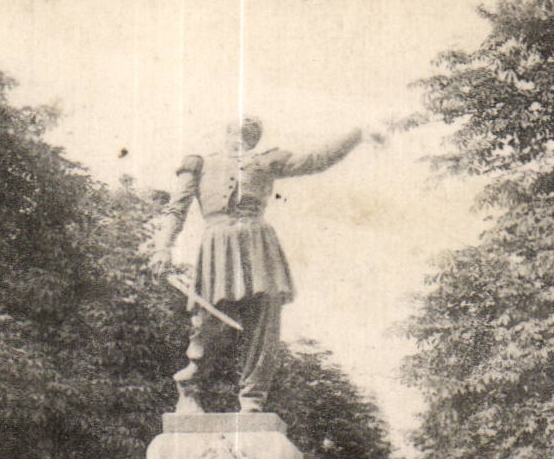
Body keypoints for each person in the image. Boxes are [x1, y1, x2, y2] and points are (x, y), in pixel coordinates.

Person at [149, 116, 382, 413]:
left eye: (250, 132)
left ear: (256, 138)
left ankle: (252, 399)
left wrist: (357, 133)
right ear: (226, 131)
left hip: (259, 248)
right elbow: (175, 209)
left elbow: (316, 160)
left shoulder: (267, 161)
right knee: (210, 325)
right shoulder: (200, 164)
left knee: (263, 323)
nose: (243, 135)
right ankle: (190, 387)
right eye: (238, 129)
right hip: (217, 247)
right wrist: (162, 248)